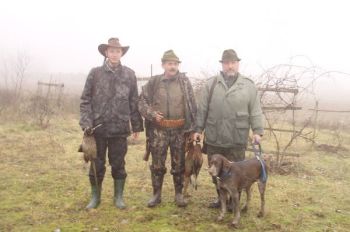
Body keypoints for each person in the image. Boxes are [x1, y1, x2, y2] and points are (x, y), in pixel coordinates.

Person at [193, 49, 264, 208]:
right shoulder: (211, 84)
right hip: (214, 137)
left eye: (233, 63)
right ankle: (221, 199)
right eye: (226, 63)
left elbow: (255, 110)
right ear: (222, 64)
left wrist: (258, 131)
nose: (230, 66)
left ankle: (234, 201)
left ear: (238, 64)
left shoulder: (248, 85)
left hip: (236, 138)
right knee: (215, 172)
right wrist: (198, 129)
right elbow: (202, 109)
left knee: (237, 172)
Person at [79, 38, 143, 209]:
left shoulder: (129, 74)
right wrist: (86, 123)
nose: (114, 54)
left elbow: (133, 101)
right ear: (106, 53)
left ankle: (118, 198)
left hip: (120, 129)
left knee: (118, 164)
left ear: (121, 53)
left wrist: (136, 125)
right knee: (96, 164)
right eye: (111, 51)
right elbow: (85, 100)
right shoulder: (95, 73)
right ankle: (95, 198)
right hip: (97, 129)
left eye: (118, 51)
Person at [138, 50, 197, 207]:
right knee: (157, 164)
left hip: (179, 130)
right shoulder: (154, 82)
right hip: (158, 131)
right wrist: (151, 114)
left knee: (179, 164)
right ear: (163, 65)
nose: (173, 66)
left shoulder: (184, 83)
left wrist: (193, 129)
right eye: (170, 63)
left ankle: (178, 194)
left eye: (175, 64)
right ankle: (156, 195)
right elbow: (141, 101)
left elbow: (192, 105)